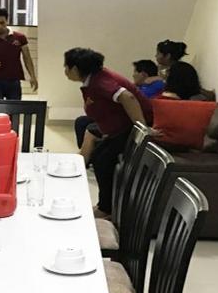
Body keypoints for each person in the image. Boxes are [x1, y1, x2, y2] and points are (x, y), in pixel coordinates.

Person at [64, 47, 152, 216]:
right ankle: (105, 206)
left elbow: (128, 97)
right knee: (99, 156)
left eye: (66, 67)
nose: (65, 71)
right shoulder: (95, 78)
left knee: (103, 160)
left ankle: (106, 209)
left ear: (75, 68)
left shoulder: (100, 82)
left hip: (128, 127)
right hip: (118, 127)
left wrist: (143, 128)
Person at [0, 7, 37, 100]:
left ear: (7, 21)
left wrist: (33, 76)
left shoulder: (20, 37)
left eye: (2, 23)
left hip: (14, 80)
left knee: (14, 110)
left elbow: (27, 58)